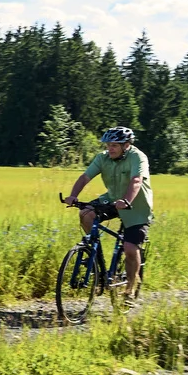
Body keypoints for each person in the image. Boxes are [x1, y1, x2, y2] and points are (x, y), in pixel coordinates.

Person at [64, 127, 153, 304]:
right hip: (112, 199)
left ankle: (129, 290)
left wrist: (127, 200)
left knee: (129, 248)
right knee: (85, 213)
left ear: (126, 145)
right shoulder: (102, 158)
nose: (110, 148)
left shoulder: (138, 157)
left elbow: (136, 181)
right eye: (108, 145)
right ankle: (96, 261)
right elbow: (84, 177)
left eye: (114, 145)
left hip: (136, 205)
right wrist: (73, 195)